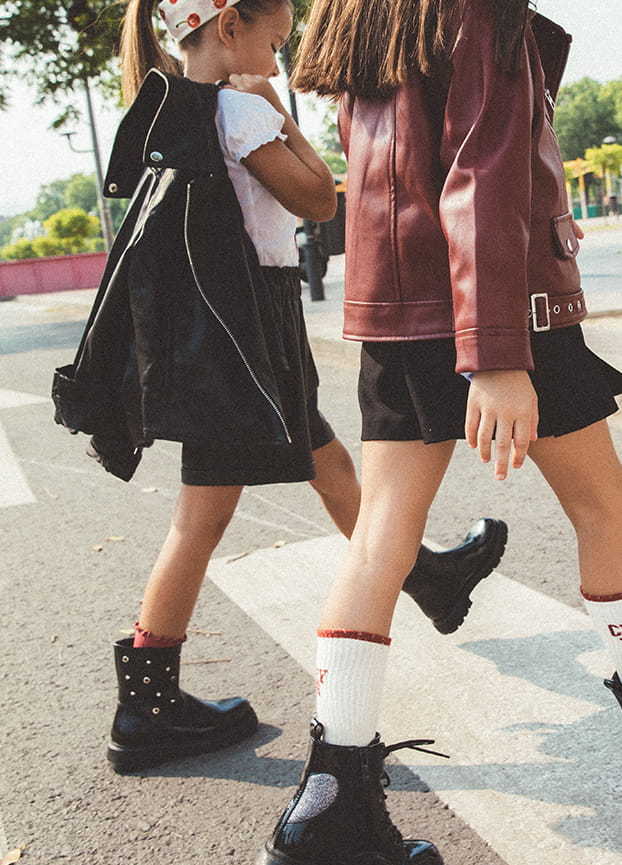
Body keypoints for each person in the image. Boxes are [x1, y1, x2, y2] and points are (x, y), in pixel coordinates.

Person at [257, 0, 622, 865]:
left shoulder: (358, 16)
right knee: (601, 501)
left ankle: (331, 794)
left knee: (379, 540)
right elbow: (483, 173)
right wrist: (496, 356)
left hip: (395, 311)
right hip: (503, 312)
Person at [52, 0, 507, 775]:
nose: (282, 53)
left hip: (235, 332)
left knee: (324, 464)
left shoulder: (182, 108)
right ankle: (146, 706)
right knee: (202, 517)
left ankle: (426, 576)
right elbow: (320, 196)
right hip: (246, 336)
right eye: (274, 36)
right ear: (228, 30)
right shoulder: (237, 110)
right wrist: (285, 118)